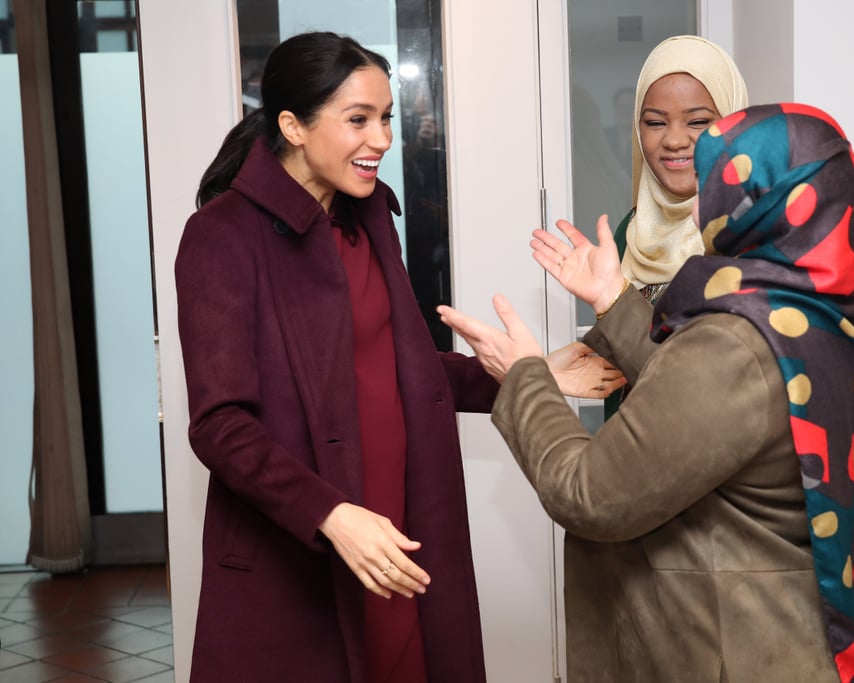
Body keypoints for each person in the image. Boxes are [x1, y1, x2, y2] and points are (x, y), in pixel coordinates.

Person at [438, 103, 854, 682]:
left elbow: (588, 493)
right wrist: (614, 298)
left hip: (731, 650)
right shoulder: (835, 310)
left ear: (749, 201)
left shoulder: (739, 340)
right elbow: (717, 415)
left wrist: (524, 377)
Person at [175, 31, 620, 683]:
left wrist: (532, 374)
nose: (383, 138)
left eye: (385, 117)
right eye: (359, 119)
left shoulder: (369, 222)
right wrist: (330, 513)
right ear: (293, 126)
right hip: (305, 546)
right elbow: (220, 424)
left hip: (401, 526)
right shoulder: (221, 238)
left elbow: (400, 369)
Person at [605, 34, 749, 417]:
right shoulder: (629, 232)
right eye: (655, 122)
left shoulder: (755, 235)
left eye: (698, 122)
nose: (673, 140)